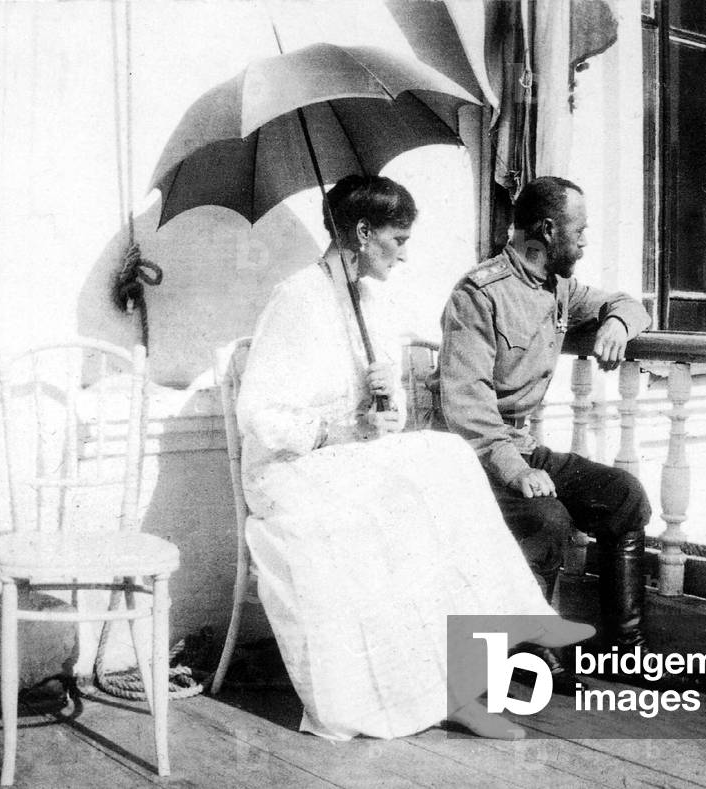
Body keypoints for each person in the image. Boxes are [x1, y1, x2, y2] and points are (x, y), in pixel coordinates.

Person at [236, 174, 593, 742]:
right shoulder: (297, 299)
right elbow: (260, 418)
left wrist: (383, 409)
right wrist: (336, 428)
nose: (405, 254)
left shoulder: (370, 302)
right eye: (397, 240)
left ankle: (472, 675)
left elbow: (387, 420)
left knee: (442, 469)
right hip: (289, 475)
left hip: (346, 466)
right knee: (424, 493)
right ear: (361, 233)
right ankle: (475, 667)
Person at [433, 175, 653, 689]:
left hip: (523, 446)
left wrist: (617, 324)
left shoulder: (558, 287)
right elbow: (467, 409)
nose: (585, 241)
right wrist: (517, 472)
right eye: (580, 231)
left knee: (622, 495)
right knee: (547, 518)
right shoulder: (478, 295)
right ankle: (529, 650)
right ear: (549, 230)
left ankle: (627, 649)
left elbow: (627, 302)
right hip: (476, 457)